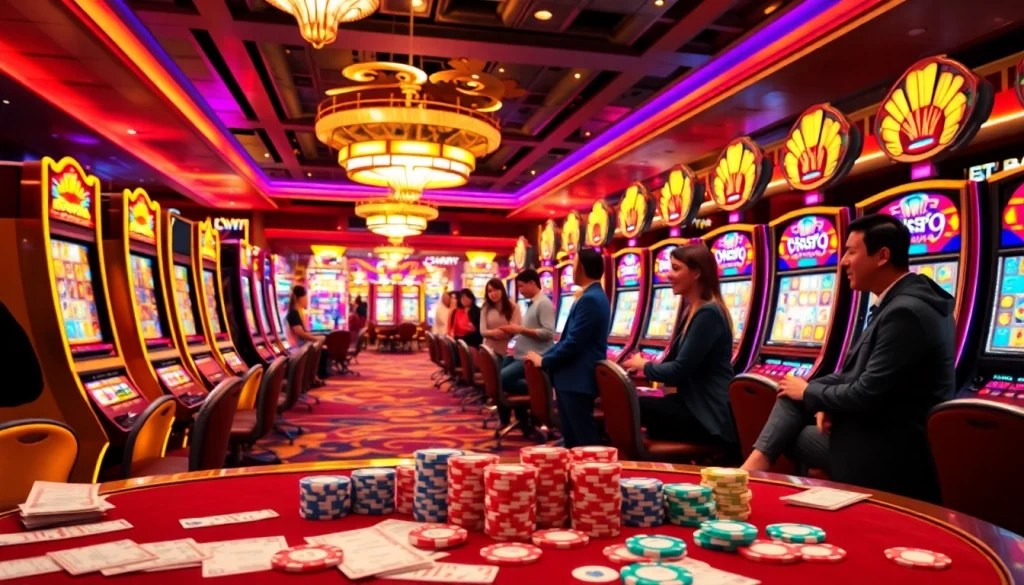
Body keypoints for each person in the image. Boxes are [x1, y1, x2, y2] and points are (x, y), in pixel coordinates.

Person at [741, 214, 955, 503]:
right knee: (792, 397)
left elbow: (867, 394)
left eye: (851, 252)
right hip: (875, 430)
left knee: (789, 432)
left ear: (882, 256)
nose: (843, 261)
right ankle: (758, 472)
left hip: (888, 450)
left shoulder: (905, 313)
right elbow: (853, 376)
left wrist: (812, 393)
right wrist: (813, 394)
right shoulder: (900, 302)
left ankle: (764, 479)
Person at [622, 245, 738, 449]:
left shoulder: (708, 313)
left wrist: (645, 365)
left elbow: (679, 370)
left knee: (632, 406)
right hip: (693, 405)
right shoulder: (692, 310)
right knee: (629, 403)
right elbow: (675, 362)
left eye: (676, 268)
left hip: (708, 415)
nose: (668, 274)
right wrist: (644, 365)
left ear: (696, 273)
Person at [525, 249, 610, 448]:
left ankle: (592, 476)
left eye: (573, 265)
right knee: (572, 439)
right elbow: (567, 341)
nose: (571, 270)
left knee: (583, 439)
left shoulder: (590, 299)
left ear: (581, 268)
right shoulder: (590, 295)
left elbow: (574, 343)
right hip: (572, 376)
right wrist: (544, 356)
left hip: (578, 377)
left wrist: (544, 361)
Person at [499, 270, 556, 429]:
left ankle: (544, 390)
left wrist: (519, 330)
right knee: (499, 374)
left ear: (532, 283)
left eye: (522, 286)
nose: (520, 290)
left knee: (502, 378)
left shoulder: (543, 303)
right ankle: (523, 419)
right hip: (521, 354)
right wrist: (515, 331)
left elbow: (548, 333)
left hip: (534, 356)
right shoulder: (532, 304)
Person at [287, 285, 331, 380]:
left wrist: (317, 338)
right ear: (301, 298)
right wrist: (317, 338)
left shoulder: (297, 312)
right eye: (306, 297)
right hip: (298, 347)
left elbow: (303, 333)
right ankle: (315, 377)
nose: (307, 300)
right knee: (322, 348)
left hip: (300, 345)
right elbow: (300, 333)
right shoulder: (294, 313)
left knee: (322, 347)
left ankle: (315, 376)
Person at [480, 278, 521, 355]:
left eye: (496, 290)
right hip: (488, 350)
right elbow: (482, 331)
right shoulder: (485, 307)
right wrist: (494, 333)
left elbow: (516, 329)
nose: (493, 293)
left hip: (508, 350)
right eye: (490, 291)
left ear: (502, 290)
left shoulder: (513, 307)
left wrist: (503, 333)